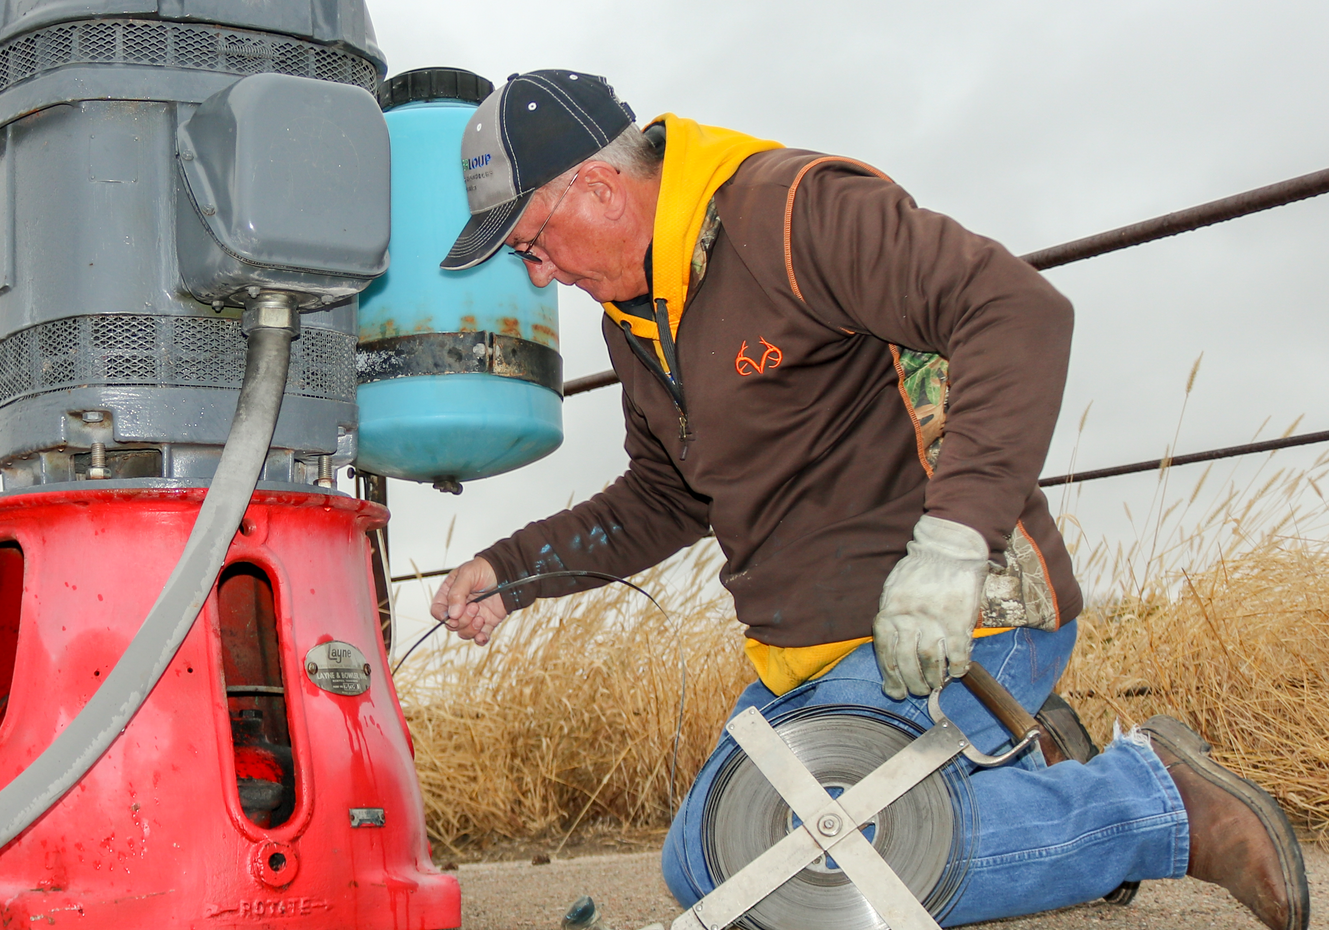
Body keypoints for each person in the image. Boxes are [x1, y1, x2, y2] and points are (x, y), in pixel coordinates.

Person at [428, 69, 1309, 929]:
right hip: (809, 658)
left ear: (599, 187)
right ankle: (1025, 768)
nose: (539, 274)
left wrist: (953, 545)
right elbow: (664, 493)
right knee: (698, 861)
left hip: (952, 623)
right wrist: (509, 571)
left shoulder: (791, 207)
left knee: (791, 866)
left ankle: (1157, 805)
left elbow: (1013, 308)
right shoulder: (639, 319)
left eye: (532, 242)